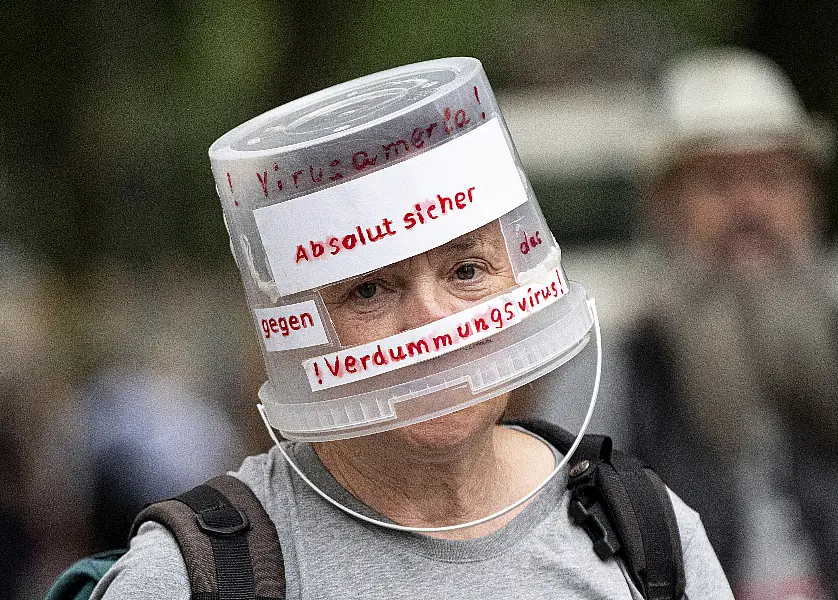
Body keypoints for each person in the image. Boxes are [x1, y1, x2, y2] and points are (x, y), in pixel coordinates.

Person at [90, 58, 732, 599]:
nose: (433, 320)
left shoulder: (648, 532)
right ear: (298, 331)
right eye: (367, 289)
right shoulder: (190, 577)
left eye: (467, 270)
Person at [619, 48, 838, 600]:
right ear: (665, 207)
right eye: (719, 183)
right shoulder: (621, 365)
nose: (751, 208)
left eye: (773, 180)